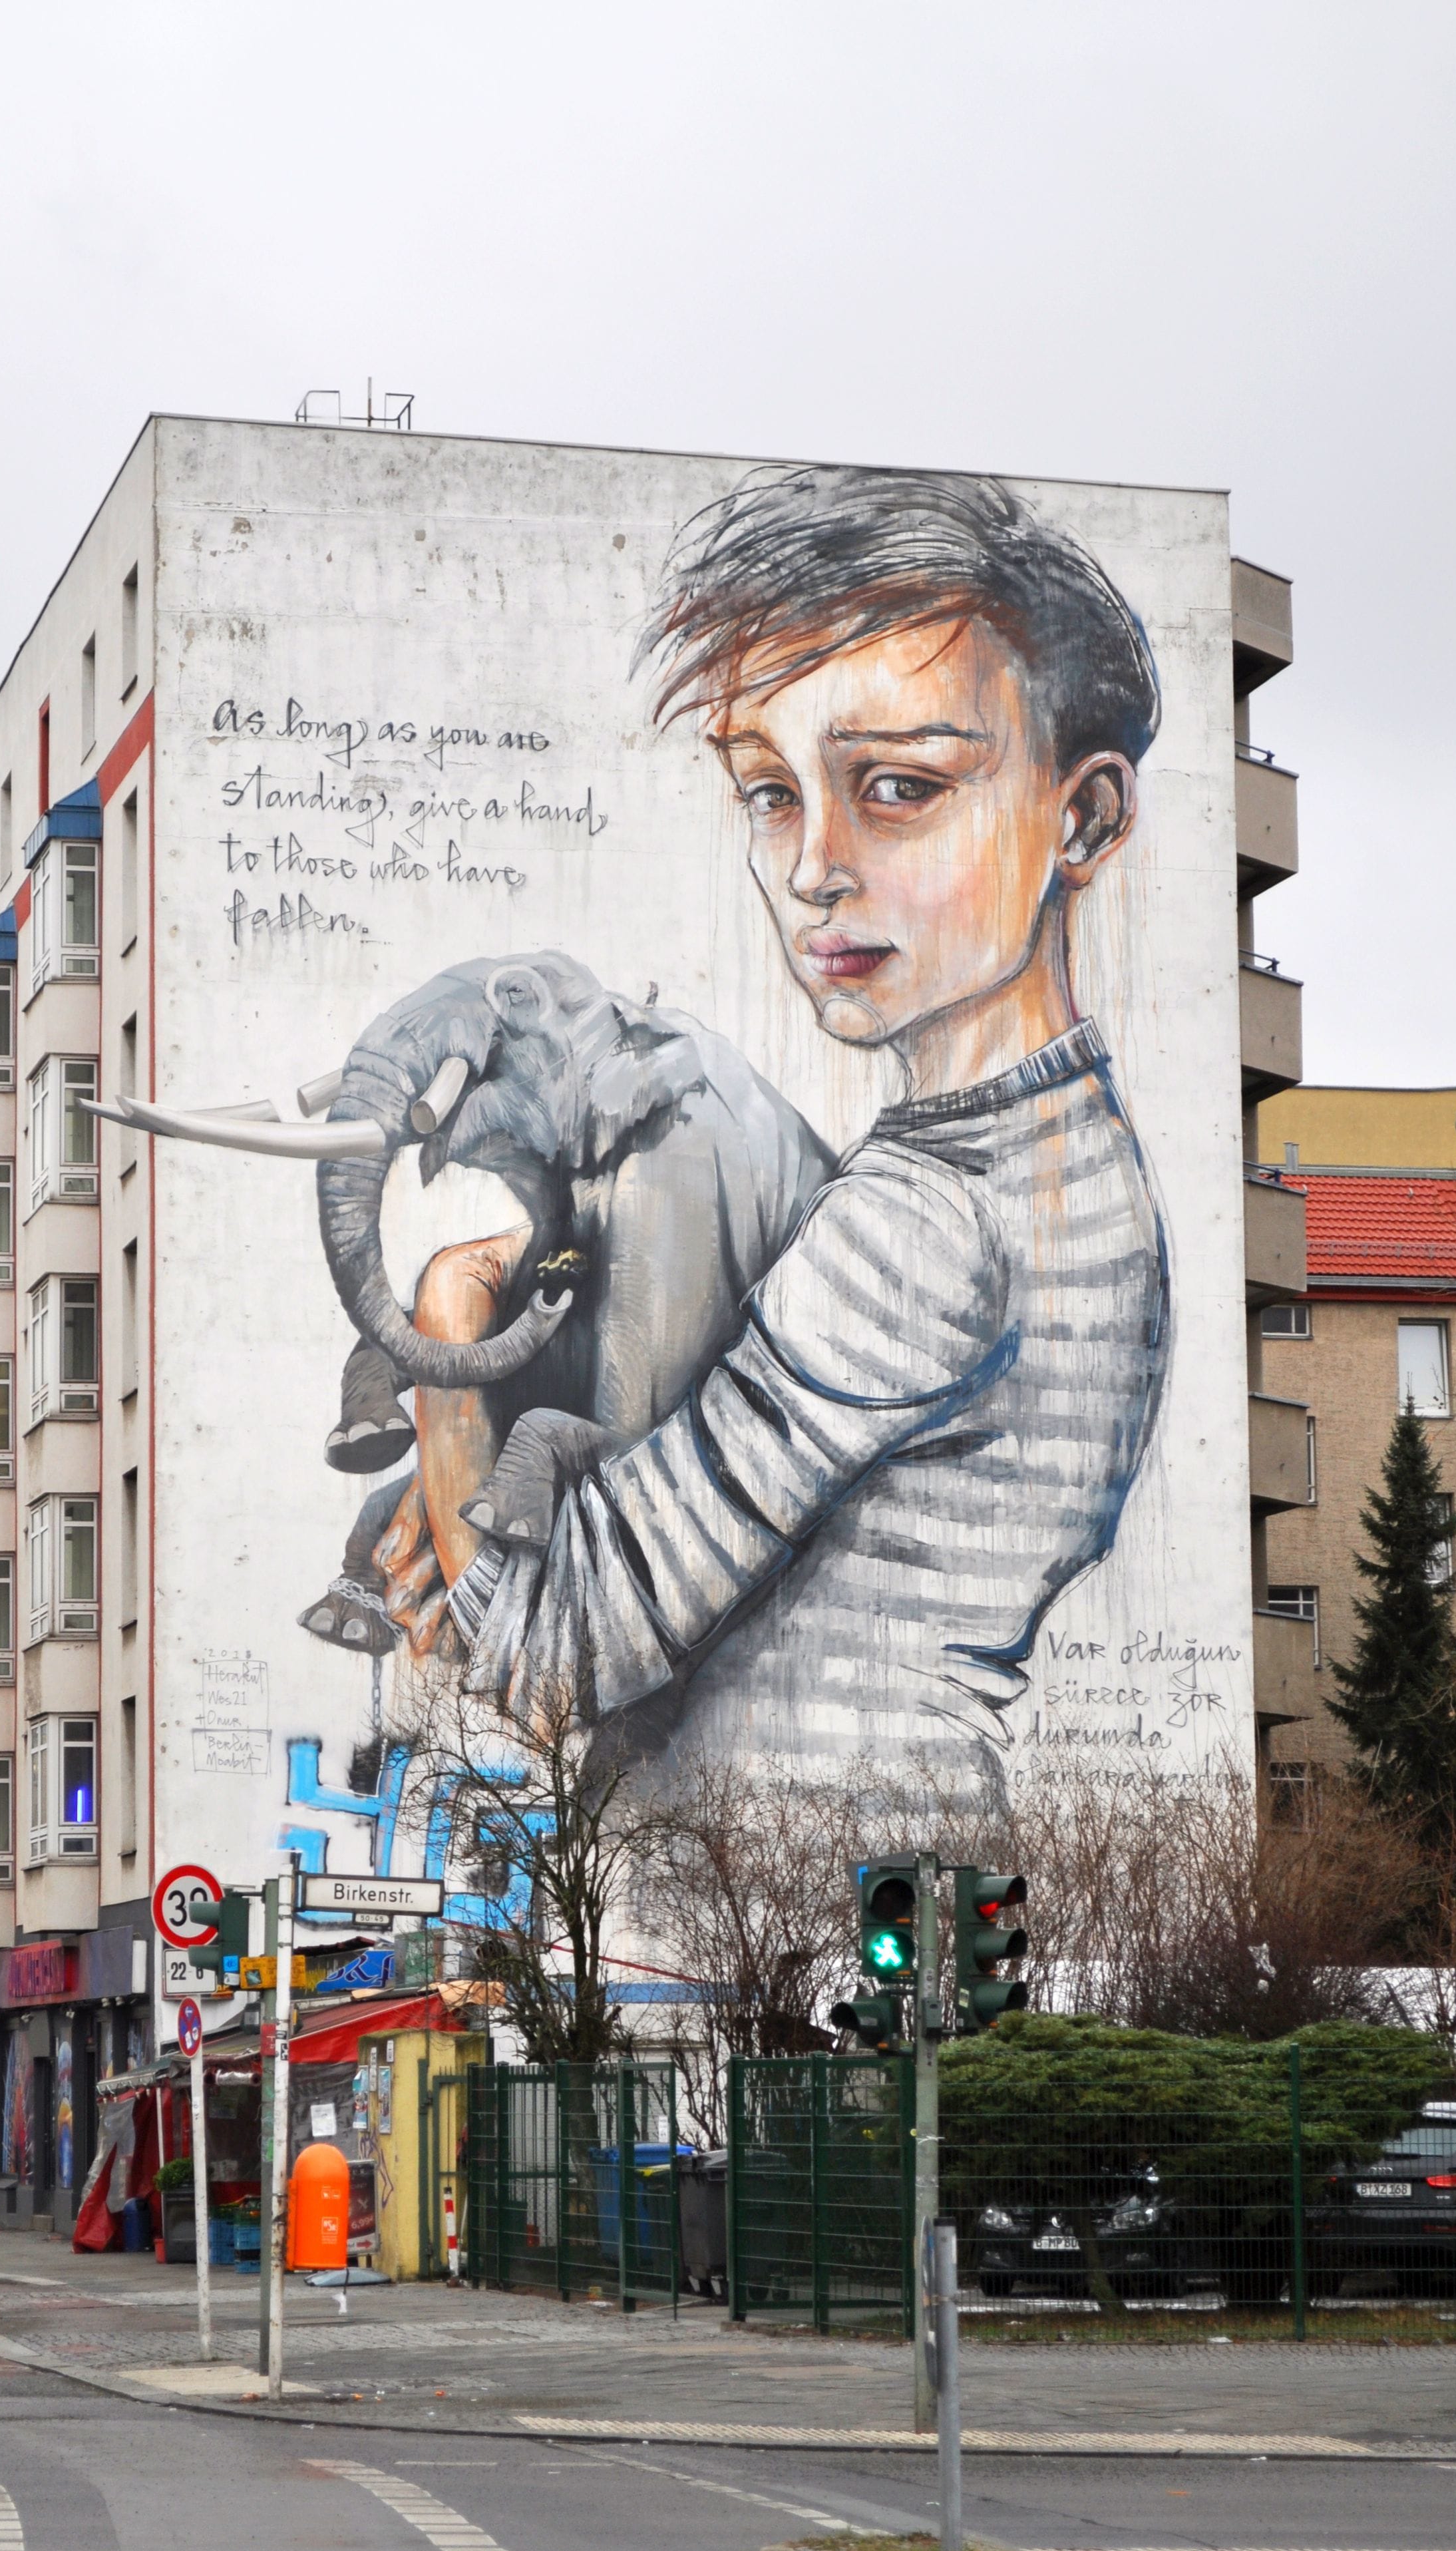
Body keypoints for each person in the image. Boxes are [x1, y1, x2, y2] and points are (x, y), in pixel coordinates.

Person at [381, 466, 1170, 1812]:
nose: (812, 868)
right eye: (769, 791)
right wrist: (521, 1476)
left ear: (1080, 817)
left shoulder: (921, 1222)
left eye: (899, 786)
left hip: (784, 1886)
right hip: (881, 1859)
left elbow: (545, 1652)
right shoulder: (1072, 1167)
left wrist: (449, 1346)